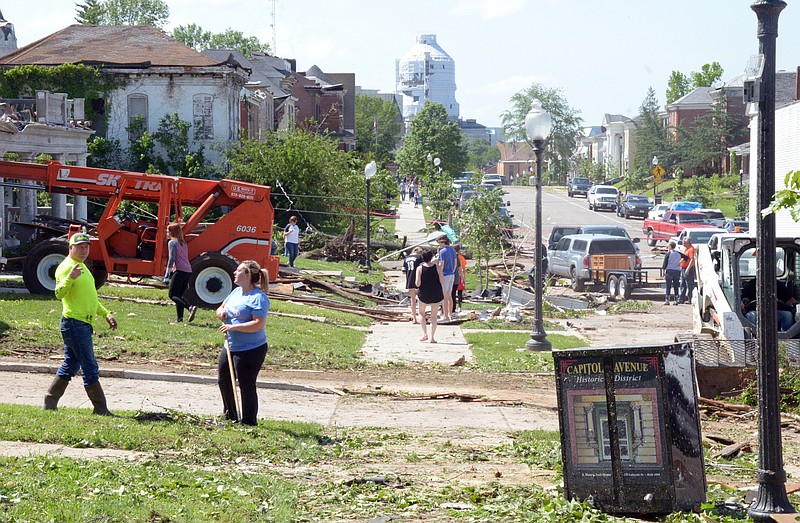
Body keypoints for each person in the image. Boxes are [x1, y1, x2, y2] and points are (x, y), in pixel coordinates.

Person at [44, 232, 118, 415]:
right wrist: (70, 277)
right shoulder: (65, 268)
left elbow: (91, 299)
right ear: (71, 248)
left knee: (71, 364)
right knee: (89, 365)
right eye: (80, 247)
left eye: (86, 247)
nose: (84, 250)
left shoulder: (82, 267)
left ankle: (50, 402)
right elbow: (58, 294)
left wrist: (106, 314)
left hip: (83, 323)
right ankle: (100, 408)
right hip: (74, 324)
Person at [215, 260, 270, 425]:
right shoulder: (236, 292)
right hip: (230, 346)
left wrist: (233, 327)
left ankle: (248, 422)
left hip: (251, 349)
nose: (234, 273)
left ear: (248, 275)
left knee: (246, 384)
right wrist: (222, 313)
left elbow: (258, 324)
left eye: (238, 271)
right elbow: (220, 307)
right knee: (224, 380)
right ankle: (230, 416)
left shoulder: (258, 298)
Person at [166, 222, 197, 323]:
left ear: (172, 232)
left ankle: (190, 307)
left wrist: (167, 273)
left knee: (172, 295)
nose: (166, 233)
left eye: (168, 231)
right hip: (188, 270)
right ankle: (180, 319)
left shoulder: (172, 243)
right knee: (179, 295)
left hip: (179, 270)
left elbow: (172, 258)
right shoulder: (183, 243)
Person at [415, 249, 444, 343]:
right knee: (434, 316)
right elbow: (442, 281)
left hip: (424, 294)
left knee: (422, 314)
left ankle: (424, 334)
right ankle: (432, 337)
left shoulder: (419, 268)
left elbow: (417, 283)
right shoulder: (437, 267)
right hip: (436, 294)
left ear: (422, 258)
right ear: (431, 257)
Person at [436, 236, 458, 322]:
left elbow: (442, 264)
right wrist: (452, 270)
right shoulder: (453, 250)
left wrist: (439, 273)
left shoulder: (442, 251)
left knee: (444, 296)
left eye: (439, 243)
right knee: (449, 295)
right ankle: (450, 314)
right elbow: (455, 263)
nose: (439, 245)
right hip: (452, 274)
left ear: (443, 243)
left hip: (445, 274)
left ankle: (445, 315)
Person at [403, 246, 424, 324]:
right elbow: (422, 268)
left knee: (412, 299)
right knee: (420, 299)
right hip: (419, 279)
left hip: (409, 279)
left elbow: (404, 271)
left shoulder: (406, 258)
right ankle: (421, 316)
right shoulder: (419, 258)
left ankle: (414, 318)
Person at [662, 241, 682, 305]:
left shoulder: (668, 253)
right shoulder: (679, 253)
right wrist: (679, 263)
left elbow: (665, 263)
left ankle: (667, 300)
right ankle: (676, 300)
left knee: (668, 286)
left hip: (670, 270)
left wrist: (664, 270)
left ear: (670, 247)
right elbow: (686, 258)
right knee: (676, 286)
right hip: (677, 270)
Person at [677, 238, 696, 304]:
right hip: (683, 268)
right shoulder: (686, 249)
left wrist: (688, 269)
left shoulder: (691, 249)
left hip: (688, 269)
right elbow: (685, 257)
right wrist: (680, 262)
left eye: (684, 241)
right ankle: (681, 299)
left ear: (688, 243)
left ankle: (690, 299)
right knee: (682, 284)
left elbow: (692, 259)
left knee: (689, 284)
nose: (682, 242)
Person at [453, 244, 467, 314]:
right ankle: (460, 307)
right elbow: (464, 269)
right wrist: (464, 278)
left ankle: (453, 307)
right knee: (460, 293)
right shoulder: (461, 258)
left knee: (452, 293)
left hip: (453, 276)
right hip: (460, 275)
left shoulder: (452, 257)